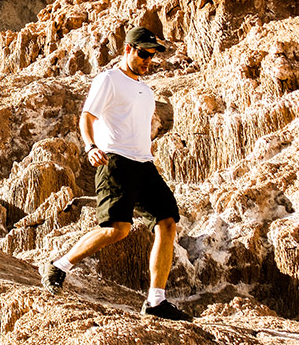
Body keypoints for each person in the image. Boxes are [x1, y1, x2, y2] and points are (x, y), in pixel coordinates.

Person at [40, 26, 192, 322]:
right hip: (115, 162)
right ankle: (60, 265)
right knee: (117, 229)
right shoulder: (108, 79)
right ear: (128, 50)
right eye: (144, 54)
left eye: (152, 56)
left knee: (168, 222)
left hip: (144, 164)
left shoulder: (146, 90)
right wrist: (90, 146)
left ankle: (156, 301)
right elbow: (87, 115)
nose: (148, 60)